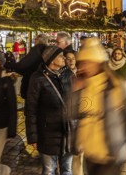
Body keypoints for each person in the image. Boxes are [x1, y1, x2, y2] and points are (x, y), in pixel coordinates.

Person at [70, 38, 126, 175]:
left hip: (110, 156)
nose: (84, 66)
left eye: (88, 62)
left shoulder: (117, 87)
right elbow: (69, 115)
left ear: (98, 63)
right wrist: (75, 92)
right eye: (82, 63)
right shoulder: (83, 87)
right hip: (89, 153)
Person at [25, 46, 73, 175]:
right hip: (47, 133)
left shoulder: (68, 74)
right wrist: (33, 136)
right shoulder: (37, 78)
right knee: (49, 170)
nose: (64, 58)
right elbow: (31, 109)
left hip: (68, 131)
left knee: (67, 169)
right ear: (51, 60)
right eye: (60, 56)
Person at [5, 33, 48, 99]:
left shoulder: (37, 49)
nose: (34, 40)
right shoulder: (46, 50)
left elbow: (23, 65)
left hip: (32, 83)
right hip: (42, 84)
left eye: (35, 39)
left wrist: (8, 65)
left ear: (39, 40)